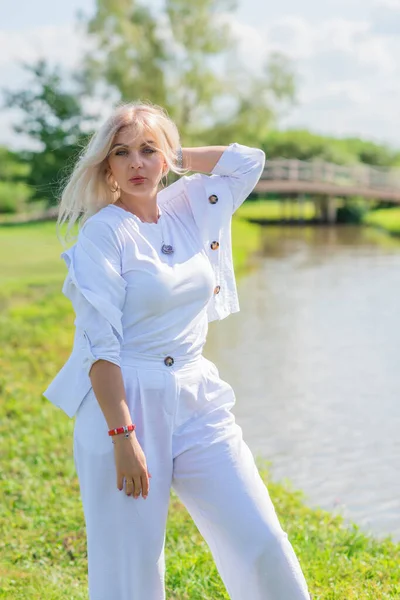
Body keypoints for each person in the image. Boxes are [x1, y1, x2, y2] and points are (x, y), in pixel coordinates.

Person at [43, 101, 310, 600]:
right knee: (133, 570)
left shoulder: (190, 205)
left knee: (261, 538)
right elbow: (100, 348)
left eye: (149, 151)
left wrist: (174, 149)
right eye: (122, 153)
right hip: (125, 400)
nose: (137, 163)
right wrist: (123, 436)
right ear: (108, 167)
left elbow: (248, 160)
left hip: (198, 393)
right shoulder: (103, 234)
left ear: (166, 159)